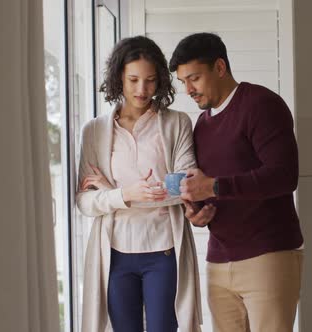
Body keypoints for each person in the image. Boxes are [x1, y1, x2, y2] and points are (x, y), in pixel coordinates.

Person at [169, 32, 304, 332]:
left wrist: (215, 186)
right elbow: (210, 187)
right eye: (183, 82)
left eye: (194, 78)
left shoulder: (262, 104)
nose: (188, 89)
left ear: (219, 67)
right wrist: (197, 213)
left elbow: (284, 176)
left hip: (268, 256)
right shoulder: (202, 124)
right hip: (218, 262)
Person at [76, 35, 205, 332]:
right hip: (116, 255)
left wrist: (112, 192)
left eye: (149, 80)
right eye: (133, 79)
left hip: (163, 252)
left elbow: (185, 186)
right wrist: (124, 194)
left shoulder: (177, 123)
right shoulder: (94, 131)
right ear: (119, 77)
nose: (142, 89)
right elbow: (84, 201)